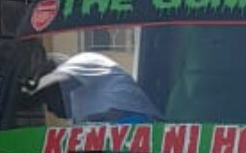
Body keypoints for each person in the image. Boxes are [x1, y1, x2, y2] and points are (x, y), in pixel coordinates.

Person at [31, 52, 162, 123]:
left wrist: (30, 88)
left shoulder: (85, 61)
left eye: (48, 98)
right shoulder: (81, 112)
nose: (49, 109)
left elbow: (56, 76)